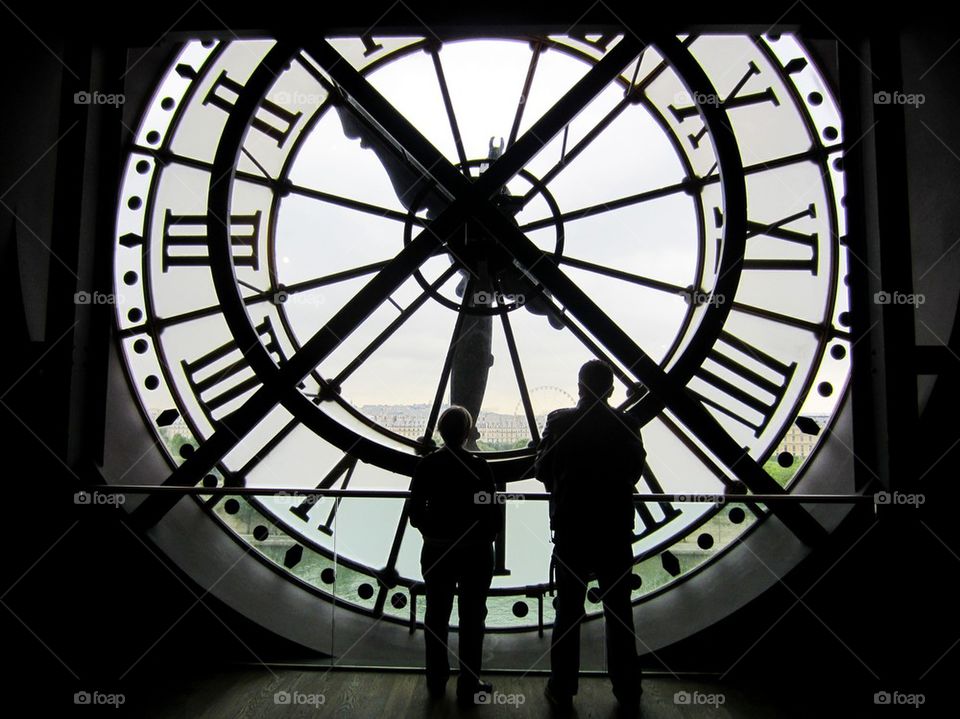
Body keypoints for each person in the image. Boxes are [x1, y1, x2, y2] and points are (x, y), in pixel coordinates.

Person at [535, 360, 646, 714]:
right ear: (611, 389)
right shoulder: (627, 424)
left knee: (567, 611)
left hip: (572, 528)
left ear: (579, 387)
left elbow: (541, 469)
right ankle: (627, 687)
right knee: (619, 611)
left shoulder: (559, 421)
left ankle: (563, 686)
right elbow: (633, 472)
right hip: (614, 529)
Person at [409, 405, 502, 705]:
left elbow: (415, 512)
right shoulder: (480, 467)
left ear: (440, 431)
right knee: (473, 618)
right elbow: (490, 514)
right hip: (474, 553)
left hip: (438, 550)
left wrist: (433, 533)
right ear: (467, 432)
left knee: (436, 616)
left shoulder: (427, 466)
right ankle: (469, 683)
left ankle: (436, 681)